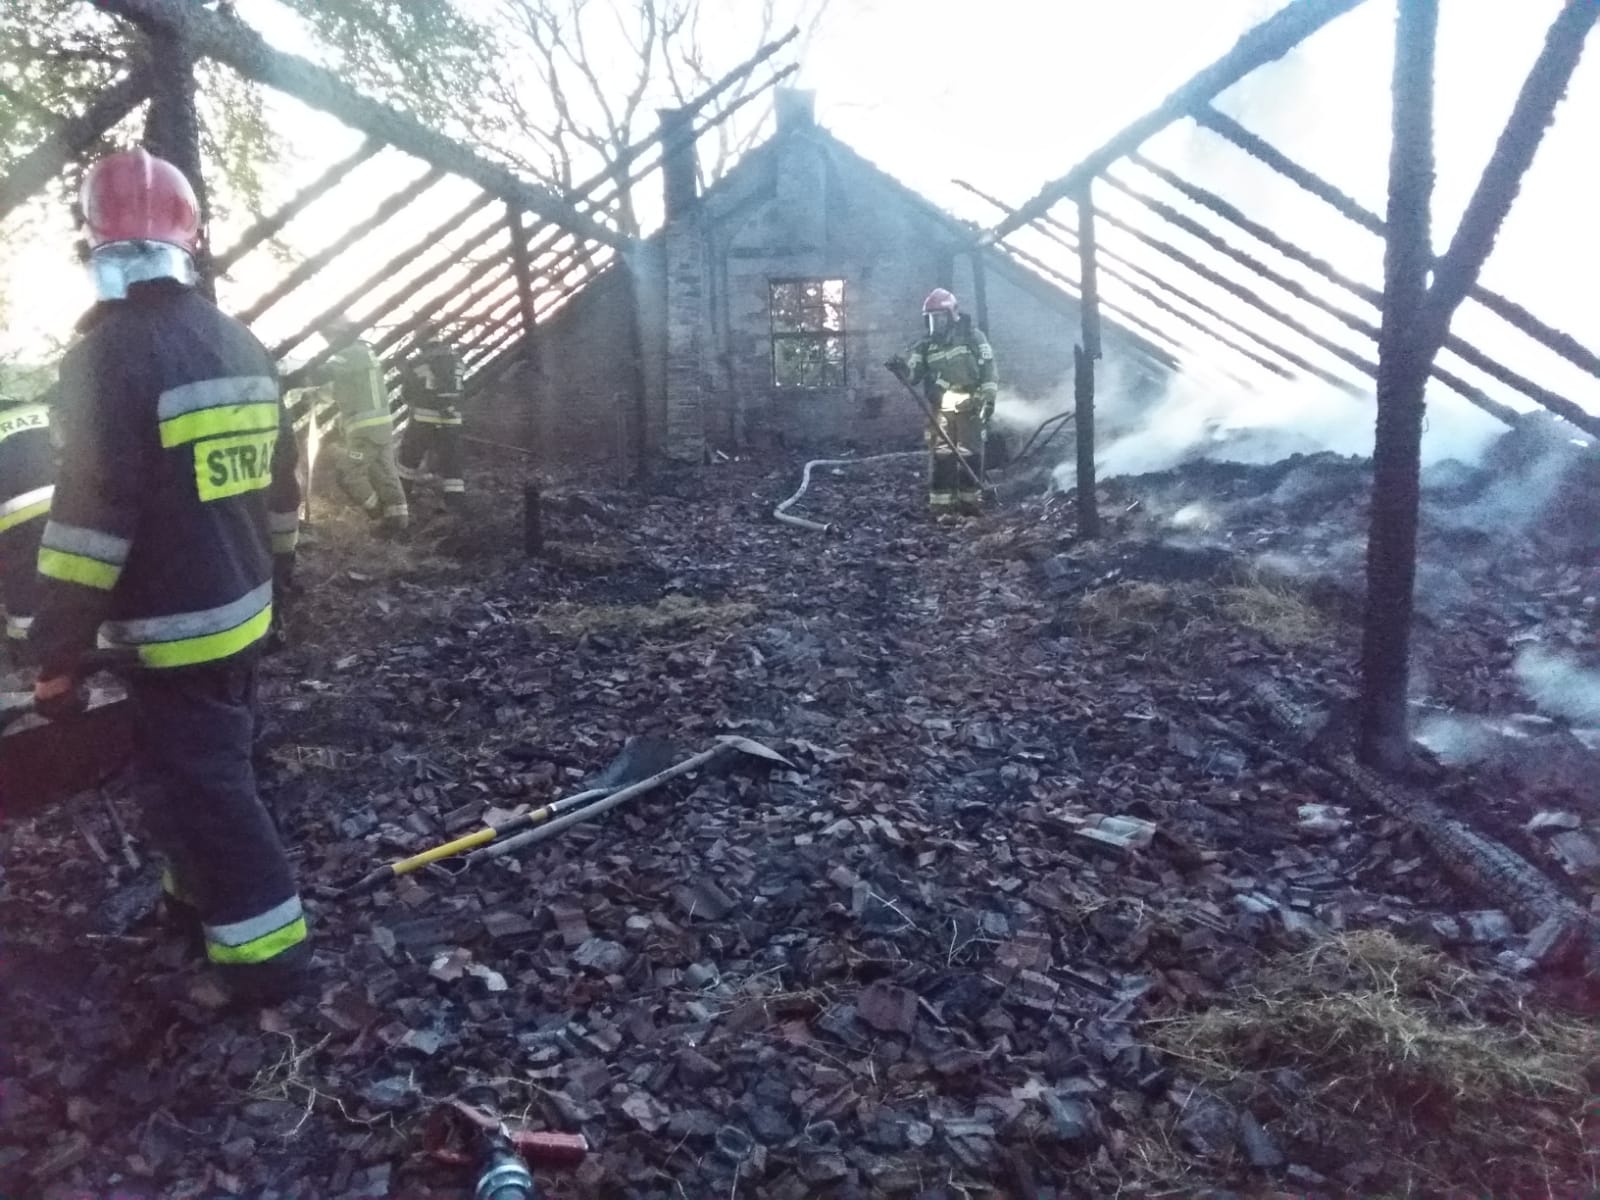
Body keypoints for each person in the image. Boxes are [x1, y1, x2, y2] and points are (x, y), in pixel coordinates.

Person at [30, 147, 310, 1001]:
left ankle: (267, 961)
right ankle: (194, 903)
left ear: (95, 245)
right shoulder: (240, 342)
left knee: (209, 787)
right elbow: (282, 487)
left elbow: (87, 527)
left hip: (170, 630)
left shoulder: (105, 359)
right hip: (245, 609)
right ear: (190, 242)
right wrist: (285, 576)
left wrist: (57, 651)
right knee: (191, 774)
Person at [888, 288, 998, 512]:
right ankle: (942, 507)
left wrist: (988, 400)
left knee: (970, 455)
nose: (935, 323)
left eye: (939, 318)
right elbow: (913, 375)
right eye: (931, 319)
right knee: (941, 455)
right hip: (941, 410)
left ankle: (970, 505)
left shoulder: (973, 337)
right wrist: (902, 368)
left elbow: (989, 371)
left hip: (970, 407)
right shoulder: (925, 345)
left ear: (951, 315)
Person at [319, 317, 409, 535]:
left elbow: (324, 373)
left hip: (364, 429)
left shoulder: (349, 354)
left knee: (349, 473)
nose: (329, 342)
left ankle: (378, 515)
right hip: (381, 427)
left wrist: (299, 378)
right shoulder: (364, 354)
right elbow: (342, 390)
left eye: (330, 336)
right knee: (385, 472)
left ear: (341, 334)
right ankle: (399, 521)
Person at [0, 391, 54, 666]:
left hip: (19, 517)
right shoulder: (35, 408)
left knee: (22, 584)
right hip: (77, 499)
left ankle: (29, 658)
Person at [397, 336, 465, 510]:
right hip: (452, 419)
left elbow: (408, 394)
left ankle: (402, 496)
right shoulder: (457, 360)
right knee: (452, 460)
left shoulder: (418, 362)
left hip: (423, 419)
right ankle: (455, 502)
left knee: (409, 458)